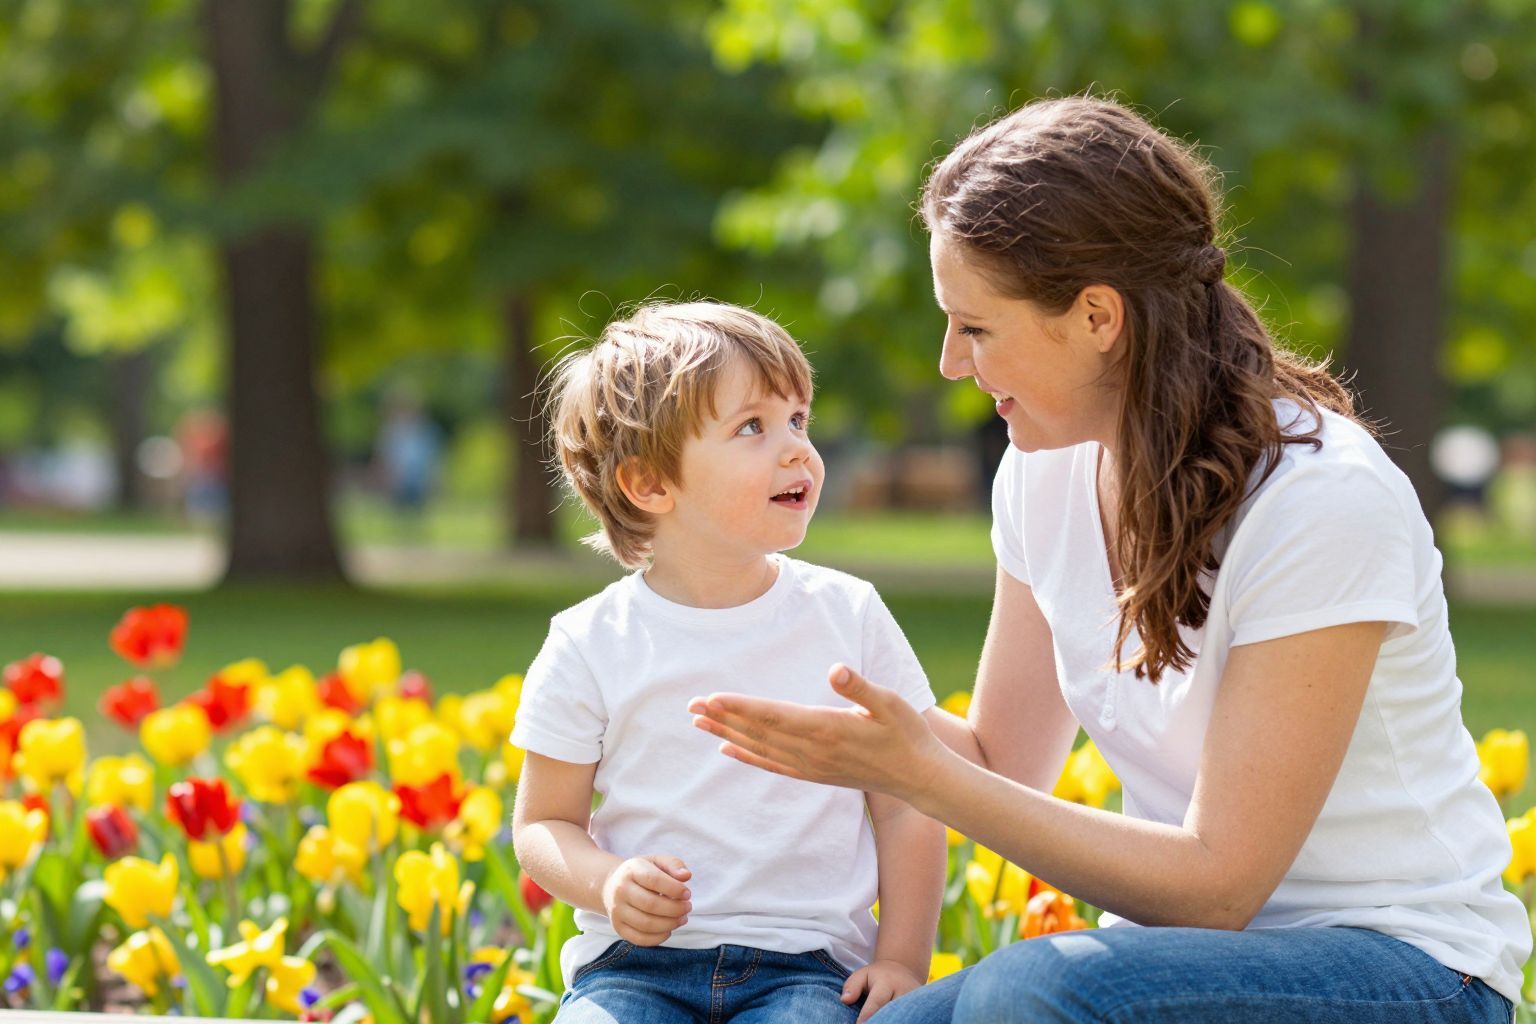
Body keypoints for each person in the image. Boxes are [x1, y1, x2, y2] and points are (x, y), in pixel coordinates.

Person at [689, 96, 1531, 1023]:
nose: (949, 364)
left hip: (1409, 971)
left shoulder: (1322, 501)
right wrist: (804, 689)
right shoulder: (1042, 474)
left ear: (1097, 316)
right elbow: (1005, 763)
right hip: (1176, 964)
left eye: (975, 327)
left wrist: (917, 772)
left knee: (1041, 991)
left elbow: (1219, 887)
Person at [511, 302, 946, 1023]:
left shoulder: (851, 615)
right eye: (753, 427)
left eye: (799, 420)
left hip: (808, 972)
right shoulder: (591, 640)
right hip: (632, 972)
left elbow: (907, 806)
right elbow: (542, 827)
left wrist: (901, 959)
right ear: (650, 484)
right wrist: (609, 881)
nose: (797, 450)